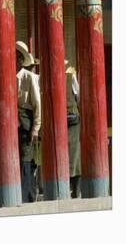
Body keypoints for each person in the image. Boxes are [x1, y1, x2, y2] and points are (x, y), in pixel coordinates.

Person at [16, 41, 41, 203]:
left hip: (26, 122)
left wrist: (35, 128)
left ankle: (26, 197)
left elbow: (37, 104)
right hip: (11, 123)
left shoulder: (29, 77)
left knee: (26, 159)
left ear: (19, 59)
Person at [65, 60, 81, 198]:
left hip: (70, 120)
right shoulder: (70, 77)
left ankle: (74, 188)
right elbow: (78, 96)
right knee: (73, 154)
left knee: (74, 155)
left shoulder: (71, 77)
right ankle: (73, 189)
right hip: (72, 117)